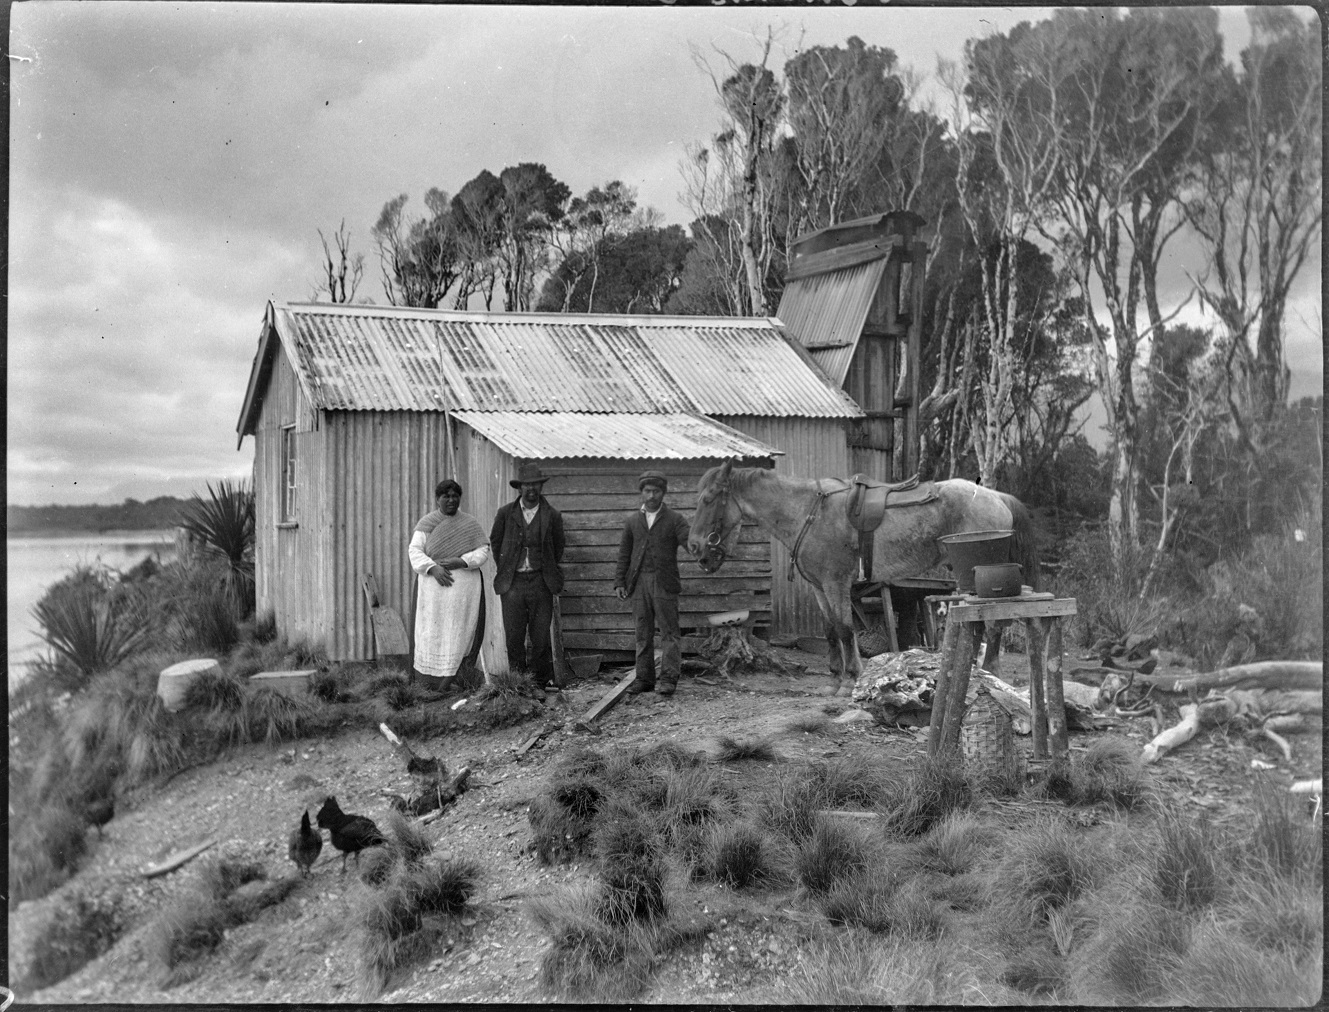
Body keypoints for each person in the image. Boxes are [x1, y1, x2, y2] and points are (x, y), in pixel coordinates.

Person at [614, 470, 692, 696]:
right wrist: (620, 581)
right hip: (638, 584)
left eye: (656, 491)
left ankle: (668, 679)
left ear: (663, 493)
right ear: (641, 493)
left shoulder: (675, 520)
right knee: (642, 633)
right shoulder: (632, 521)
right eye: (647, 491)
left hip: (664, 583)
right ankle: (644, 679)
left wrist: (700, 543)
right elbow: (624, 554)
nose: (651, 495)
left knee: (669, 633)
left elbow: (689, 542)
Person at [409, 479, 490, 690]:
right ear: (437, 499)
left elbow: (482, 551)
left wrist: (461, 561)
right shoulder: (426, 524)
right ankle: (429, 683)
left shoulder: (470, 523)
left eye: (455, 496)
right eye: (446, 496)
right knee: (433, 632)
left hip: (463, 592)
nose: (451, 500)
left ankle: (457, 680)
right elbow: (415, 551)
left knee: (459, 630)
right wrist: (433, 568)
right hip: (433, 592)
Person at [490, 462, 566, 690]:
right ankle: (517, 683)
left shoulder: (552, 515)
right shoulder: (505, 513)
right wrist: (508, 566)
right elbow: (496, 543)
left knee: (540, 636)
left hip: (541, 582)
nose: (531, 489)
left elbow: (558, 547)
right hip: (512, 583)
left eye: (535, 485)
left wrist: (544, 567)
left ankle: (540, 681)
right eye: (527, 485)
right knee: (514, 636)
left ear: (540, 487)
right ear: (520, 488)